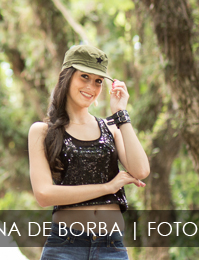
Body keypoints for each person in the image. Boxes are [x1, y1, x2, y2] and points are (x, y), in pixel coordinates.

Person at [27, 44, 150, 259]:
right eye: (84, 77)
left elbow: (140, 170)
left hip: (111, 246)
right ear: (67, 77)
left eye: (98, 81)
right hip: (65, 246)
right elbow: (44, 194)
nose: (91, 87)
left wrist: (121, 113)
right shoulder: (43, 132)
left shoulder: (111, 128)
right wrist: (108, 187)